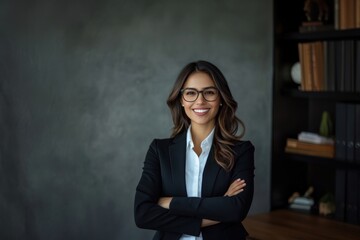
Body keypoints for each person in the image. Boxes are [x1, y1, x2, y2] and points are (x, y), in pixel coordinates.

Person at [134, 60, 255, 240]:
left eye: (209, 92)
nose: (200, 100)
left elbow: (236, 210)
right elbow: (143, 214)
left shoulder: (241, 151)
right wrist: (217, 208)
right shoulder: (160, 150)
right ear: (181, 100)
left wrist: (170, 202)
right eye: (191, 93)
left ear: (220, 98)